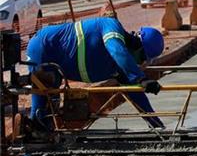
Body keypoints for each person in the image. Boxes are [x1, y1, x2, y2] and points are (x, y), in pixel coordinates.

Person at [26, 17, 165, 129]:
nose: (140, 64)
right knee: (41, 108)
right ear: (137, 45)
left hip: (57, 59)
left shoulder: (121, 67)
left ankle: (41, 150)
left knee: (51, 111)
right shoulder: (111, 26)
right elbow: (116, 49)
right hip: (45, 47)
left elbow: (137, 96)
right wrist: (140, 78)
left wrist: (157, 125)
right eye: (142, 59)